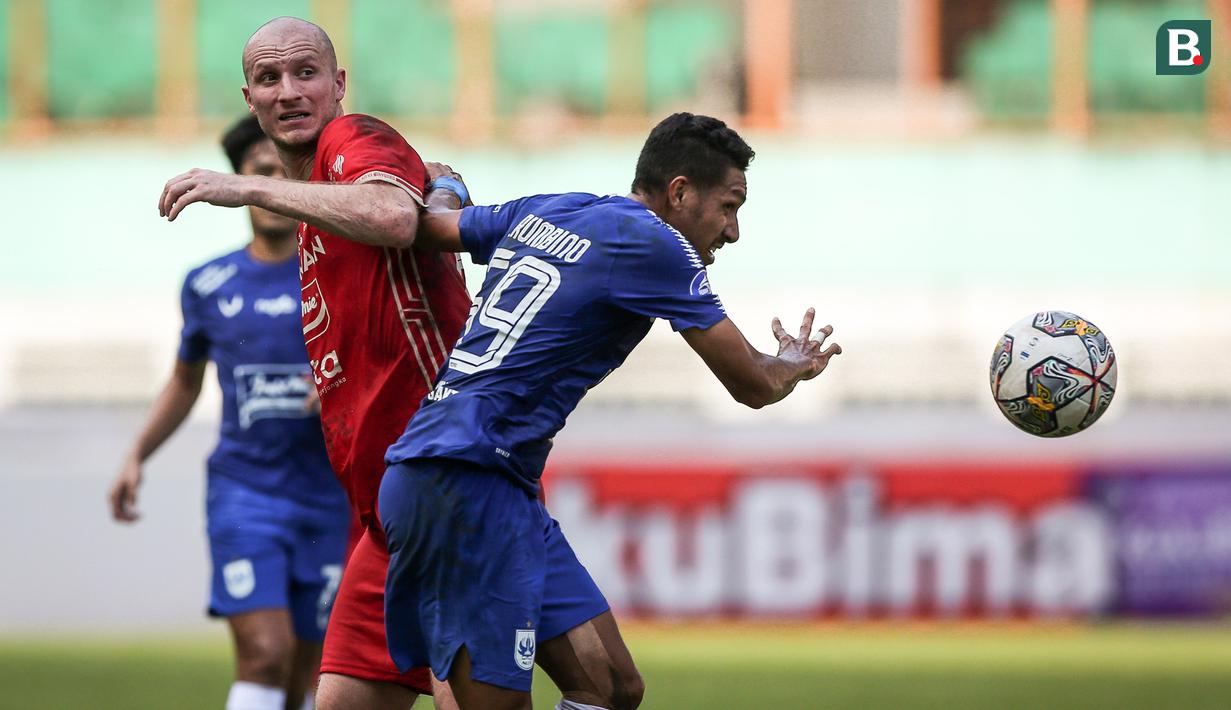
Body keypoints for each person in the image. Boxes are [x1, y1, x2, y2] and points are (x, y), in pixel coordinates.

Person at [377, 112, 843, 710]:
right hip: (461, 481)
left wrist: (449, 185)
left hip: (492, 480)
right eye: (730, 206)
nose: (732, 231)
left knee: (612, 688)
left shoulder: (557, 208)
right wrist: (793, 363)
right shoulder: (658, 244)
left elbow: (430, 226)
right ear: (679, 192)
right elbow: (752, 384)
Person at [156, 16, 467, 710]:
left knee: (510, 691)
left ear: (339, 85)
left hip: (442, 477)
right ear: (250, 98)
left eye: (305, 73)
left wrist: (249, 188)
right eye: (270, 78)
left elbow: (393, 217)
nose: (289, 91)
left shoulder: (353, 140)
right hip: (375, 503)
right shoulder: (309, 222)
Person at [111, 115, 351, 710]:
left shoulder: (340, 274)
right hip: (246, 492)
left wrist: (341, 385)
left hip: (331, 493)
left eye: (281, 172)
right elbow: (185, 382)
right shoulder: (209, 283)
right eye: (258, 172)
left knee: (306, 667)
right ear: (241, 183)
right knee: (264, 653)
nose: (270, 184)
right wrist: (137, 453)